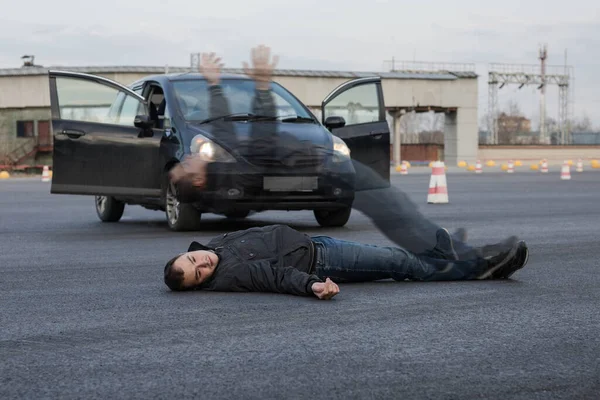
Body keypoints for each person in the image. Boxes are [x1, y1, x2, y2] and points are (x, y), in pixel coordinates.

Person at [169, 44, 521, 262]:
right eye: (186, 167)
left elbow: (249, 128)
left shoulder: (219, 157)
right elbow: (264, 132)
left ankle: (446, 245)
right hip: (325, 168)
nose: (186, 159)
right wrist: (259, 85)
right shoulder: (226, 171)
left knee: (399, 209)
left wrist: (223, 85)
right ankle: (468, 258)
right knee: (395, 216)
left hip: (328, 167)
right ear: (199, 178)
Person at [163, 224, 529, 299]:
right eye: (200, 275)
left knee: (395, 260)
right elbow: (274, 277)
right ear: (203, 284)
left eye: (195, 260)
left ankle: (442, 255)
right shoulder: (232, 273)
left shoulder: (215, 244)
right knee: (402, 266)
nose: (204, 264)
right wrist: (313, 285)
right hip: (322, 261)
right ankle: (487, 267)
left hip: (316, 243)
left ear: (189, 250)